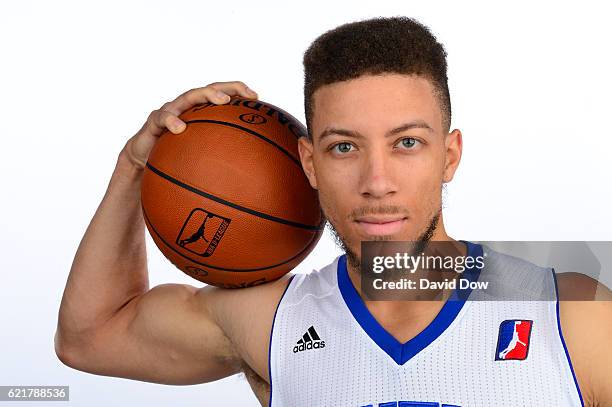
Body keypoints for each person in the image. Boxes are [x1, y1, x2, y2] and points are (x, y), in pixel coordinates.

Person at [55, 16, 611, 406]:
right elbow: (90, 337)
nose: (377, 182)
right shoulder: (268, 320)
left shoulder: (574, 315)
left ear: (450, 154)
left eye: (407, 143)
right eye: (344, 146)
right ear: (310, 162)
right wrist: (135, 166)